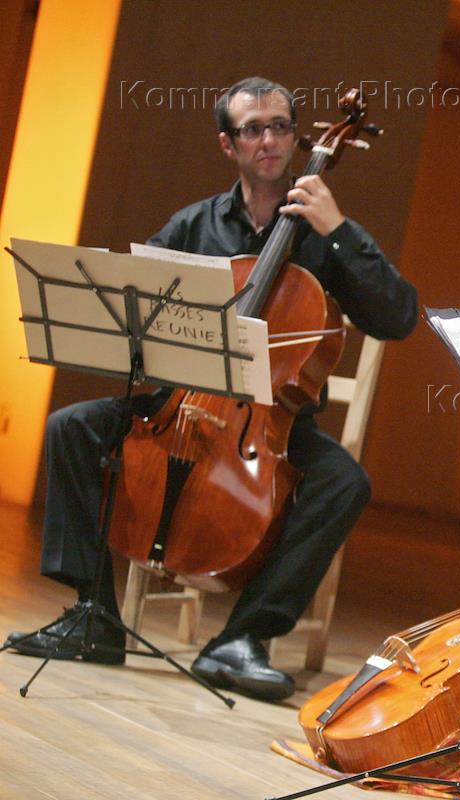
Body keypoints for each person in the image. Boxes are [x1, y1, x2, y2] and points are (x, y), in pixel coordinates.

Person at [5, 77, 419, 702]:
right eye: (253, 129)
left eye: (280, 126)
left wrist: (338, 229)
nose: (269, 139)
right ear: (229, 144)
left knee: (344, 482)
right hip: (178, 404)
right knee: (71, 426)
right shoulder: (195, 224)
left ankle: (243, 637)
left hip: (271, 422)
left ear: (297, 138)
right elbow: (136, 306)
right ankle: (95, 615)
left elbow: (398, 317)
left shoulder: (325, 233)